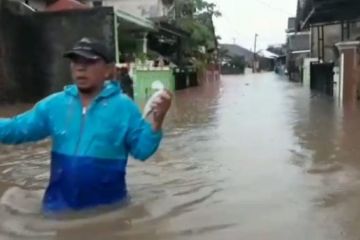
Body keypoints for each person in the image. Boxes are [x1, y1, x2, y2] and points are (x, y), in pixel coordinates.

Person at [0, 37, 172, 213]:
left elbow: (142, 150)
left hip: (108, 212)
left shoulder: (124, 108)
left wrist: (157, 122)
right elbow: (16, 129)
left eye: (89, 61)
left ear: (108, 70)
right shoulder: (55, 105)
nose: (80, 67)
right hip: (57, 209)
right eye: (75, 61)